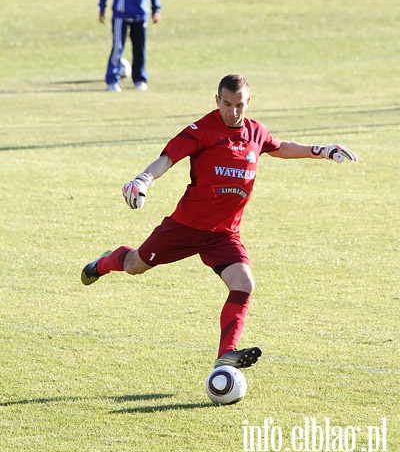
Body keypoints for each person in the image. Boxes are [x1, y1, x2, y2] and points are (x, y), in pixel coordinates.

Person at [81, 74, 358, 370]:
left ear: (248, 102)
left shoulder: (256, 132)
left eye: (240, 105)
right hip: (185, 227)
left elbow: (280, 147)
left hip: (224, 234)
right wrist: (143, 179)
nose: (234, 112)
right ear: (217, 101)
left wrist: (322, 151)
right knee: (135, 265)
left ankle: (227, 353)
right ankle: (104, 263)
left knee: (244, 283)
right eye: (227, 104)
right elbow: (167, 158)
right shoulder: (201, 130)